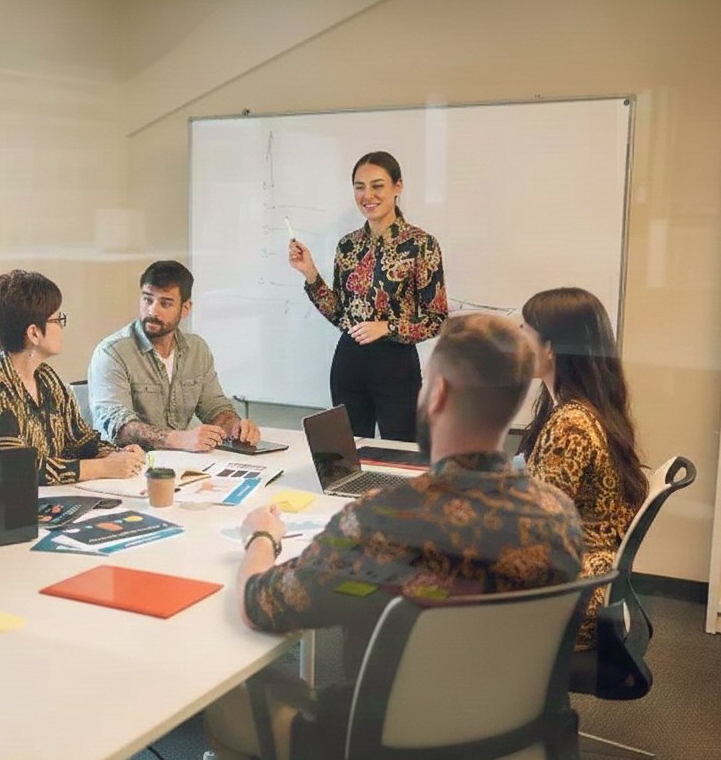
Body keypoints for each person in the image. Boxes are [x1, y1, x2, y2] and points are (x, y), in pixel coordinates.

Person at [205, 314, 584, 758]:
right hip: (515, 736)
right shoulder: (558, 516)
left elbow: (260, 605)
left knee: (228, 694)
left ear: (437, 393)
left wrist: (261, 538)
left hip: (380, 744)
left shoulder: (379, 522)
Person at [519, 287, 647, 651]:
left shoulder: (570, 425)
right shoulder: (584, 407)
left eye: (524, 331)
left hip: (567, 594)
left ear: (551, 347)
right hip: (585, 580)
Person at [287, 150, 448, 441]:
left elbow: (437, 319)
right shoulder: (347, 246)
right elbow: (340, 314)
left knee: (400, 454)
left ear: (397, 187)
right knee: (347, 453)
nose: (367, 195)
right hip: (349, 362)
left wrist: (387, 327)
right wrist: (310, 274)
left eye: (377, 185)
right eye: (359, 187)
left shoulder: (421, 244)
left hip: (396, 365)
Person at [0, 270, 146, 485]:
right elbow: (15, 469)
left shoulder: (47, 378)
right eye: (57, 320)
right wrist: (103, 467)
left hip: (48, 499)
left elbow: (81, 440)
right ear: (34, 333)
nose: (62, 327)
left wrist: (118, 455)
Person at [87, 260, 260, 452]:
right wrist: (178, 439)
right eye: (147, 300)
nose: (153, 310)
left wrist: (235, 427)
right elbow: (118, 427)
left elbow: (215, 407)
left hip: (182, 462)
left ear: (185, 308)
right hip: (126, 465)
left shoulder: (197, 349)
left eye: (165, 303)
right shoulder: (112, 352)